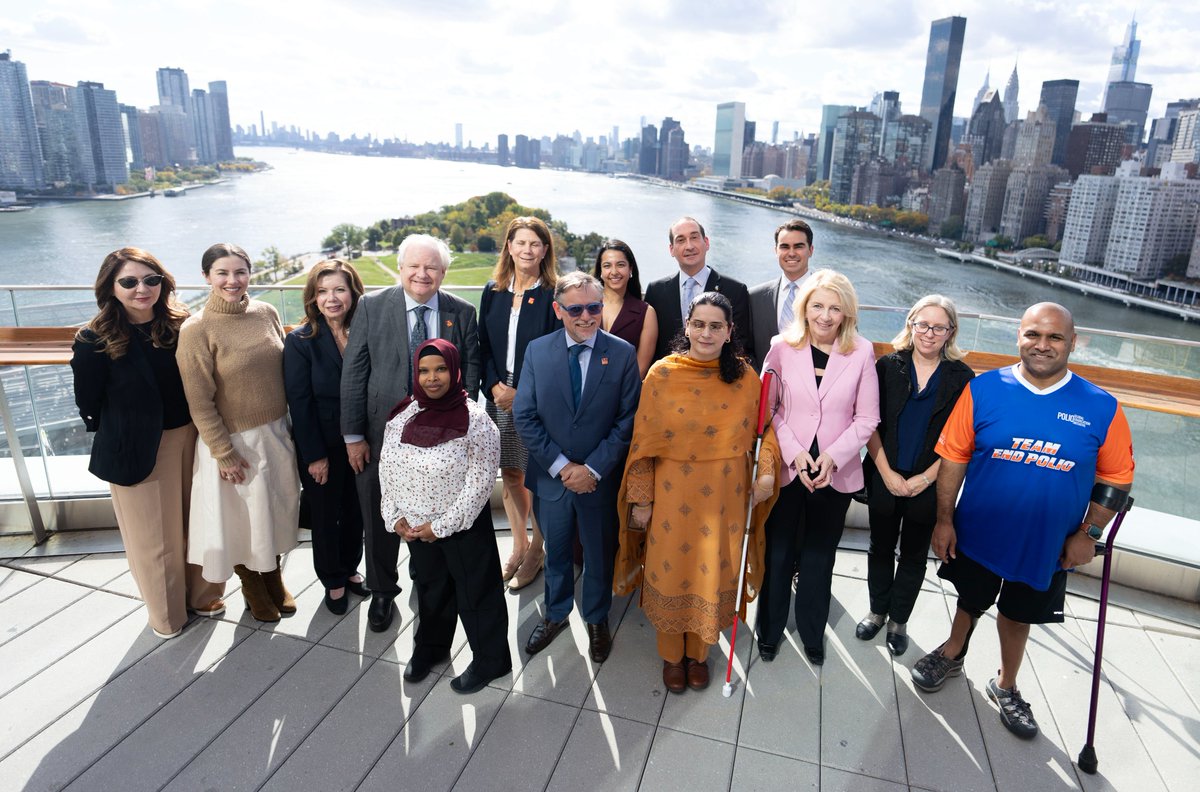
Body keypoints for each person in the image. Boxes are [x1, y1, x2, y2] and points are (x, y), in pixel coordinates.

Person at [911, 302, 1134, 740]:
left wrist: (1089, 533)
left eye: (1054, 337)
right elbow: (953, 457)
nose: (1042, 345)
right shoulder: (983, 389)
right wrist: (944, 521)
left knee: (1017, 616)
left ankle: (1006, 684)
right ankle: (953, 652)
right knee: (969, 598)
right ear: (1019, 337)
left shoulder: (1102, 406)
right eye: (1033, 334)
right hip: (979, 531)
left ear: (1072, 343)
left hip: (1047, 544)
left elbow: (1116, 478)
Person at [614, 292, 780, 693]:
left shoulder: (745, 377)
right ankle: (672, 657)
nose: (706, 333)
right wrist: (642, 498)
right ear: (687, 326)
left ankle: (699, 656)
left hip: (724, 500)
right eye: (699, 324)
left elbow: (767, 431)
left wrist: (768, 472)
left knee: (711, 573)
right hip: (671, 499)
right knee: (672, 570)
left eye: (716, 326)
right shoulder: (662, 373)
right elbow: (643, 442)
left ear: (729, 332)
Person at [71, 247, 226, 639]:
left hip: (193, 437)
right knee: (155, 540)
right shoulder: (93, 339)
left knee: (201, 521)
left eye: (151, 280)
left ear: (163, 282)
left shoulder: (182, 324)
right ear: (112, 287)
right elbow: (88, 402)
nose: (142, 289)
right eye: (129, 281)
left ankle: (203, 596)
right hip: (137, 447)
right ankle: (167, 615)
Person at [341, 234, 480, 633]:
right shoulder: (371, 307)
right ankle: (383, 590)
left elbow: (469, 373)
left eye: (432, 267)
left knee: (433, 510)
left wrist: (463, 434)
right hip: (380, 437)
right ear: (401, 268)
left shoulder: (462, 312)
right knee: (378, 516)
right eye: (414, 266)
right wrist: (353, 436)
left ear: (443, 272)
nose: (422, 274)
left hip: (442, 439)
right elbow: (354, 373)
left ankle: (430, 582)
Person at [512, 272, 641, 663]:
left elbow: (628, 420)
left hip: (598, 483)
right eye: (576, 309)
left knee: (600, 553)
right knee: (556, 552)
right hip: (553, 481)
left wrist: (593, 470)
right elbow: (525, 415)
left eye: (595, 307)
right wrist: (564, 467)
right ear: (558, 310)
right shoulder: (537, 350)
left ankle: (597, 618)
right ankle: (555, 614)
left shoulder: (621, 354)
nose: (587, 316)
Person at [755, 269, 879, 666]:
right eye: (818, 306)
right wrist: (794, 452)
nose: (825, 316)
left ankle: (812, 633)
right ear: (804, 307)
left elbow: (867, 418)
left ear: (847, 313)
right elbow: (769, 408)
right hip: (790, 471)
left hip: (835, 474)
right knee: (778, 554)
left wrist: (832, 457)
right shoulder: (780, 347)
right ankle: (769, 632)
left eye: (835, 308)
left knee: (818, 559)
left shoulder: (861, 351)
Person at [378, 339, 511, 694]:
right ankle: (432, 649)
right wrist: (394, 517)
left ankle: (491, 660)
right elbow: (387, 468)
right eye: (423, 371)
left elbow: (481, 483)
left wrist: (443, 527)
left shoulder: (476, 420)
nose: (431, 378)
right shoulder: (404, 413)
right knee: (431, 590)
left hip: (461, 526)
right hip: (417, 526)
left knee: (476, 594)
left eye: (440, 370)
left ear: (454, 372)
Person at [177, 243, 300, 622]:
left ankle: (273, 577)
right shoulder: (196, 330)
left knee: (275, 512)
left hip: (276, 432)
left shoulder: (267, 312)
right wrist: (224, 452)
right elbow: (199, 402)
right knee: (242, 521)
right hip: (234, 441)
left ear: (250, 274)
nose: (233, 281)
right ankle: (252, 585)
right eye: (222, 273)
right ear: (206, 277)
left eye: (240, 272)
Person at [856, 295, 974, 657]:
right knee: (879, 546)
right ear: (910, 324)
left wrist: (925, 479)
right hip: (884, 474)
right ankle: (878, 611)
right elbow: (869, 423)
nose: (929, 333)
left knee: (913, 555)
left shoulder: (962, 378)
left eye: (939, 327)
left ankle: (898, 621)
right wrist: (887, 473)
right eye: (923, 324)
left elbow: (962, 440)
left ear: (950, 332)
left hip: (930, 480)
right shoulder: (887, 366)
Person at [478, 216, 561, 590]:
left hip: (536, 396)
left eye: (535, 244)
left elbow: (558, 353)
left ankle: (538, 551)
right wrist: (494, 385)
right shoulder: (492, 290)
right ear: (509, 246)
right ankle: (519, 544)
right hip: (498, 393)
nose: (527, 250)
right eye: (520, 242)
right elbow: (481, 344)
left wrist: (521, 392)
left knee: (537, 476)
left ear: (545, 251)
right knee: (510, 472)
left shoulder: (553, 294)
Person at [284, 259, 369, 615]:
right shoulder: (300, 341)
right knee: (325, 514)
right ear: (312, 297)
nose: (331, 298)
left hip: (365, 441)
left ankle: (350, 569)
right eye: (322, 291)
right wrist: (314, 455)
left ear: (353, 292)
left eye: (339, 289)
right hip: (323, 446)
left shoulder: (367, 331)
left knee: (357, 512)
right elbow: (299, 403)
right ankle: (332, 579)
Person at [644, 217, 751, 361]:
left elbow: (740, 345)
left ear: (706, 243)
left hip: (718, 376)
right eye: (681, 240)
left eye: (694, 237)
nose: (689, 246)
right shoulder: (656, 291)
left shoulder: (735, 290)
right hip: (668, 377)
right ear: (671, 249)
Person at [747, 219, 815, 372]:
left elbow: (847, 342)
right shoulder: (754, 297)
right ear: (776, 250)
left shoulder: (831, 295)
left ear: (811, 250)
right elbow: (746, 348)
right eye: (784, 247)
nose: (791, 253)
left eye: (798, 246)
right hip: (765, 389)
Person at [592, 239, 658, 378]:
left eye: (621, 265)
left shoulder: (646, 313)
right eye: (607, 266)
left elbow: (640, 370)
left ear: (630, 269)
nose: (614, 272)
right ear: (601, 271)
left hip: (624, 395)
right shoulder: (585, 306)